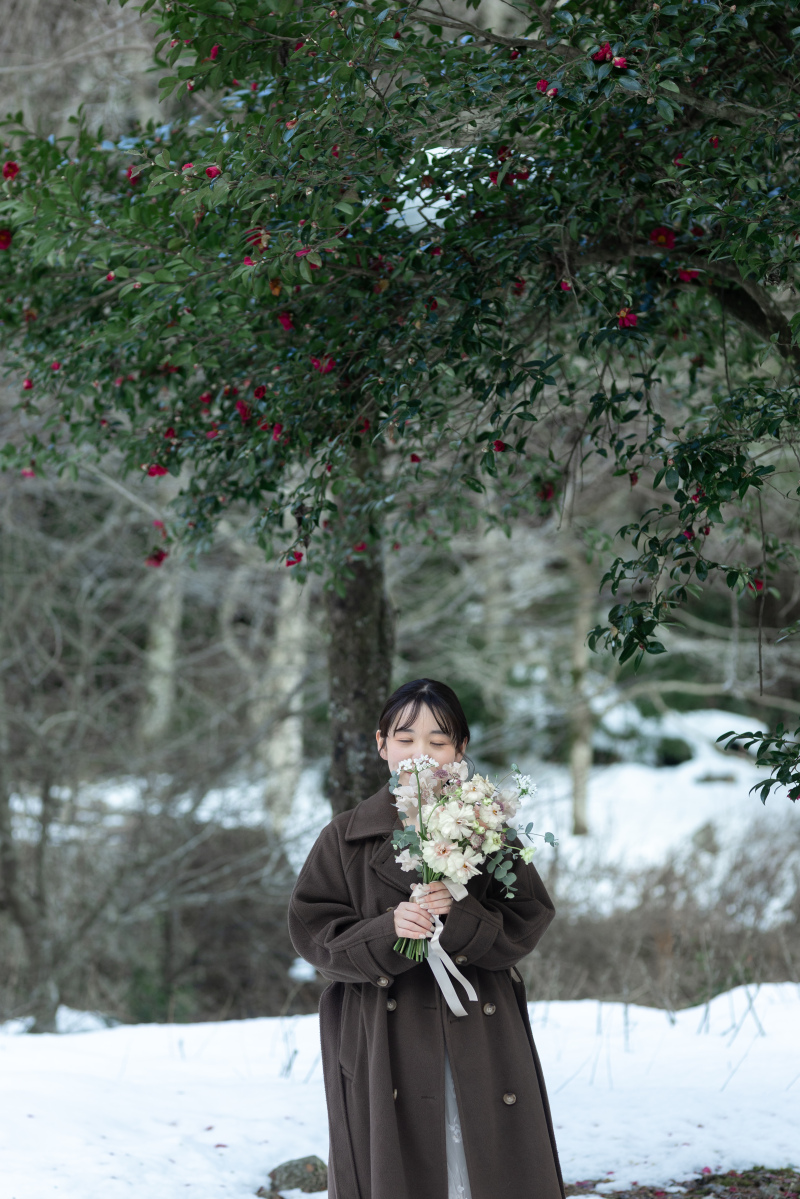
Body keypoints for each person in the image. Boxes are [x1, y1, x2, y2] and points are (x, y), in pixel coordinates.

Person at [288, 678, 564, 1199]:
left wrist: (458, 916)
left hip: (478, 1030)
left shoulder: (489, 830)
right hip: (383, 1034)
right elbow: (314, 934)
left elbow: (528, 919)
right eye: (406, 738)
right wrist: (387, 929)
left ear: (460, 749)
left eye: (438, 741)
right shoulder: (344, 837)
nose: (421, 754)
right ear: (381, 745)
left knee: (490, 1166)